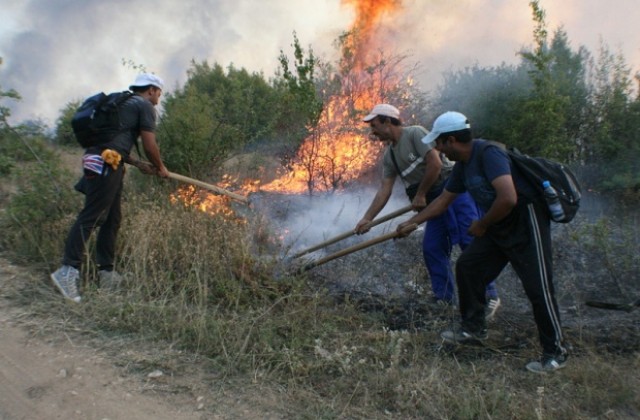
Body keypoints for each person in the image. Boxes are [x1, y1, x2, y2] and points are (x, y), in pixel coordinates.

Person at [396, 111, 568, 373]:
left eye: (439, 143)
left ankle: (556, 351)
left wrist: (482, 224)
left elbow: (508, 198)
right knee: (468, 266)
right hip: (498, 225)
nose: (438, 150)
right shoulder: (462, 166)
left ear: (451, 140)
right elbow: (443, 201)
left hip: (525, 222)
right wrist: (413, 223)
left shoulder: (488, 153)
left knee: (537, 287)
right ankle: (473, 328)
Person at [356, 104, 500, 317]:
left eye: (375, 125)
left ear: (387, 121)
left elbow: (435, 164)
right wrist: (367, 219)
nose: (373, 131)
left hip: (454, 192)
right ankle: (444, 299)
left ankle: (489, 296)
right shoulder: (390, 155)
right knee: (433, 247)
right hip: (433, 202)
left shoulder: (414, 133)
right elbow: (384, 189)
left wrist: (420, 194)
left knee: (469, 240)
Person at [50, 73, 170, 302]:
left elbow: (115, 141)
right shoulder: (145, 106)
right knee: (92, 216)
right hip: (106, 162)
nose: (158, 99)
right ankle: (67, 271)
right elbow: (149, 144)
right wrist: (161, 167)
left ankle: (107, 272)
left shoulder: (122, 101)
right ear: (152, 90)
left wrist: (138, 164)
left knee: (113, 218)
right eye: (159, 93)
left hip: (103, 159)